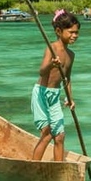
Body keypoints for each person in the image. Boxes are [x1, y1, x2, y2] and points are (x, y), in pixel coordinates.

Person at [30, 9, 80, 161]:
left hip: (55, 96)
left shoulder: (71, 55)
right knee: (47, 133)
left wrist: (70, 99)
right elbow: (41, 71)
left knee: (59, 136)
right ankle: (34, 167)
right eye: (71, 32)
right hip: (41, 94)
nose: (75, 36)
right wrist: (52, 63)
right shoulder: (52, 48)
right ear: (59, 31)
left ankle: (59, 169)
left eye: (77, 33)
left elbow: (67, 79)